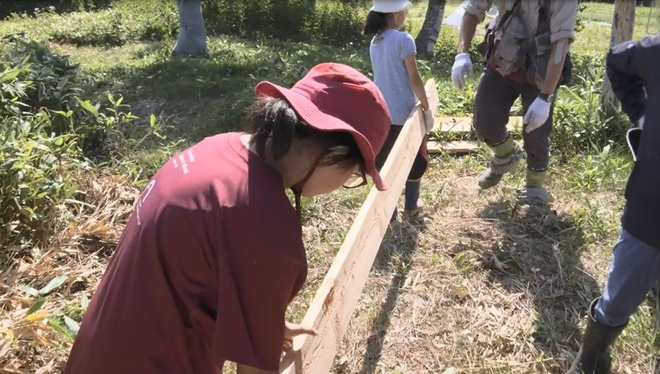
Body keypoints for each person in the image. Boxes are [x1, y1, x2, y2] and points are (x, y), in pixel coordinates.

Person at [62, 62, 392, 374]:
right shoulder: (263, 219)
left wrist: (262, 320)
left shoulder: (216, 150)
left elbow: (198, 268)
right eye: (353, 176)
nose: (343, 186)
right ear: (332, 156)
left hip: (99, 353)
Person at [567, 2, 660, 372]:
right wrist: (641, 113)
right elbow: (616, 61)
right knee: (617, 299)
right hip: (647, 211)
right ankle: (590, 359)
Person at [451, 0, 577, 204]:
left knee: (536, 133)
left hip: (541, 69)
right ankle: (505, 157)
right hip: (504, 58)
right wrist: (462, 53)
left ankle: (534, 188)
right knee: (484, 121)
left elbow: (561, 43)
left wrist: (545, 97)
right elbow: (473, 10)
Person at [363, 0, 435, 223]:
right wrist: (426, 107)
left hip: (382, 111)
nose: (405, 13)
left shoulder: (376, 41)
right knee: (415, 159)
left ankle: (390, 213)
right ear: (393, 15)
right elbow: (414, 78)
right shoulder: (404, 40)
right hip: (404, 112)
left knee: (386, 161)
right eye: (403, 10)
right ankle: (412, 207)